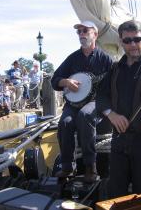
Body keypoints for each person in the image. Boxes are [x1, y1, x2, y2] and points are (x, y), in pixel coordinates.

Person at [96, 20, 141, 197]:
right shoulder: (115, 68)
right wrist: (111, 114)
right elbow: (101, 97)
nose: (133, 44)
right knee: (116, 191)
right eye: (127, 41)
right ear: (121, 42)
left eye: (137, 39)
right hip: (120, 138)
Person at [51, 20, 113, 183]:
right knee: (65, 122)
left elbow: (116, 82)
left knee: (85, 116)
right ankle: (67, 166)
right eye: (79, 32)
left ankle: (90, 167)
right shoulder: (72, 58)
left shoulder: (105, 59)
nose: (82, 34)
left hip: (95, 102)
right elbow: (54, 80)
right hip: (73, 104)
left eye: (85, 30)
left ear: (95, 34)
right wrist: (66, 82)